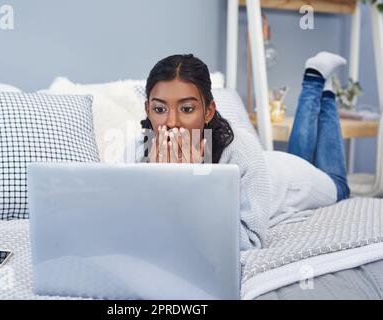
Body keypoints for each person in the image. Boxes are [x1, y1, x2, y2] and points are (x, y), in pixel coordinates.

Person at [130, 53, 350, 250]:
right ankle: (320, 80)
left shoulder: (240, 150)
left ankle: (320, 84)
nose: (171, 122)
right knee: (302, 153)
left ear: (208, 112)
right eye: (159, 109)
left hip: (291, 180)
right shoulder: (138, 151)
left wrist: (194, 184)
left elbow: (252, 240)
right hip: (267, 168)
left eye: (187, 109)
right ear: (148, 110)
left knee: (339, 184)